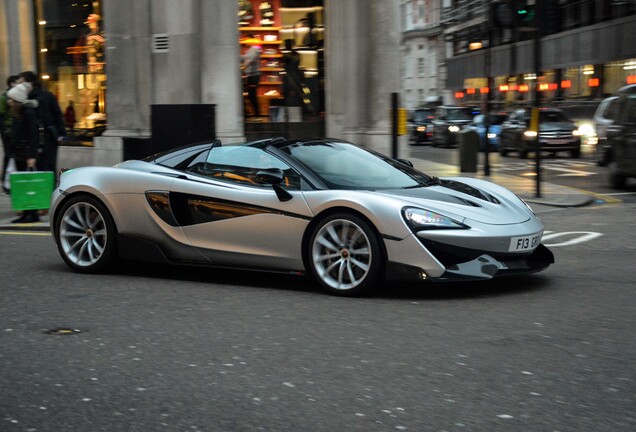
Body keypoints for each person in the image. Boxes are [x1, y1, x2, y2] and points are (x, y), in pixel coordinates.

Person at [19, 71, 65, 173]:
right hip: (46, 138)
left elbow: (57, 114)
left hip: (45, 138)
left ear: (29, 83)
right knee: (48, 167)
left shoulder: (40, 98)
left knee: (45, 167)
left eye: (22, 83)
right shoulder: (26, 99)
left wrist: (61, 132)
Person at [7, 83, 40, 223]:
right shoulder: (18, 114)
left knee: (29, 185)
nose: (9, 102)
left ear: (18, 101)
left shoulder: (29, 114)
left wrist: (32, 156)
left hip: (27, 155)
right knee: (22, 185)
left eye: (12, 100)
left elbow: (34, 136)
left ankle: (33, 213)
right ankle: (26, 213)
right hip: (20, 154)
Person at [0, 75, 20, 193]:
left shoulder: (16, 96)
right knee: (8, 157)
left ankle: (12, 182)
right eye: (17, 83)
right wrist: (4, 132)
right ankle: (5, 183)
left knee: (13, 157)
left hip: (15, 131)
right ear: (12, 84)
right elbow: (1, 117)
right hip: (8, 132)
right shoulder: (4, 98)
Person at [240, 35, 262, 117]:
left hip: (253, 76)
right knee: (251, 96)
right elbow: (248, 59)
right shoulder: (254, 49)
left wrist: (237, 57)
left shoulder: (254, 49)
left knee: (252, 96)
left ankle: (257, 115)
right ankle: (254, 114)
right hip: (252, 76)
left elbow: (249, 59)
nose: (245, 42)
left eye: (246, 39)